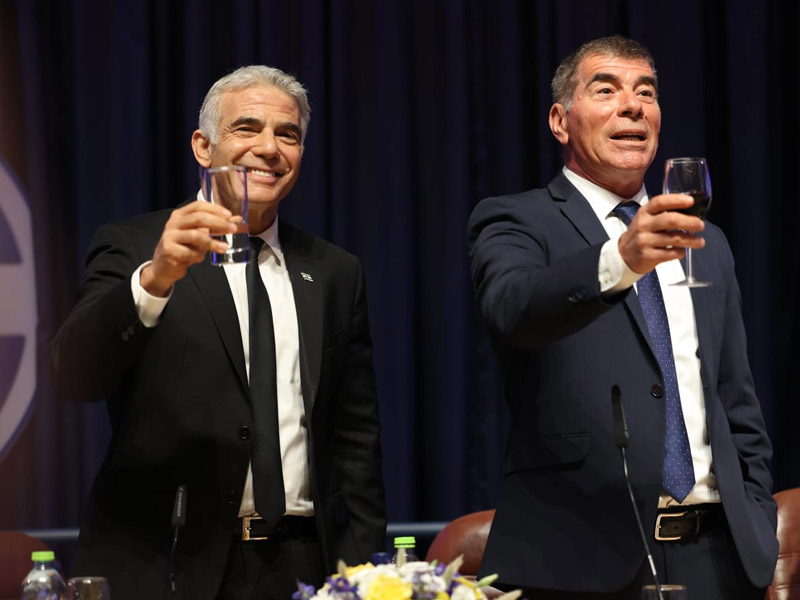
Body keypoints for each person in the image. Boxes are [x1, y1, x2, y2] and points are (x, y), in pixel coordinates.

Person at [51, 65, 386, 600]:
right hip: (171, 562)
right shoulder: (137, 246)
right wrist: (155, 280)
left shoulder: (333, 270)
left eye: (288, 134)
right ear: (203, 147)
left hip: (304, 566)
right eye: (247, 128)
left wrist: (365, 573)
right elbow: (74, 374)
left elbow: (355, 442)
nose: (270, 148)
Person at [468, 35, 777, 600]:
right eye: (605, 89)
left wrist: (754, 511)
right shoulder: (516, 220)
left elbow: (737, 400)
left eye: (646, 92)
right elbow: (514, 308)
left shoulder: (707, 240)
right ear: (561, 122)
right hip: (580, 562)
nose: (632, 105)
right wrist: (621, 259)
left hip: (721, 560)